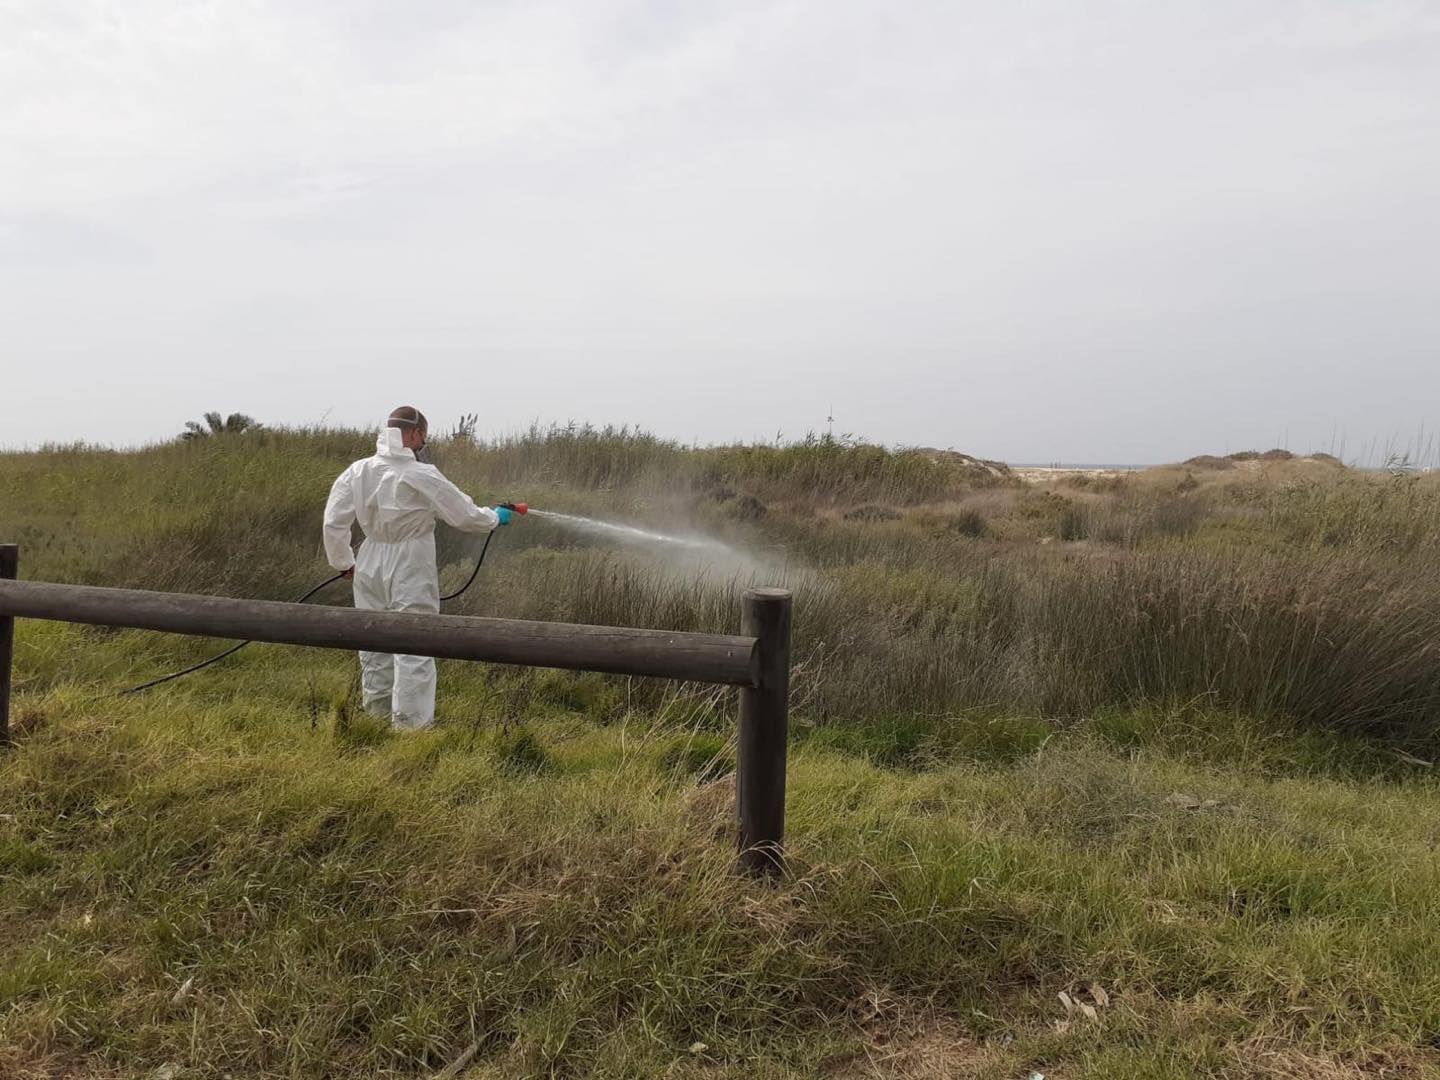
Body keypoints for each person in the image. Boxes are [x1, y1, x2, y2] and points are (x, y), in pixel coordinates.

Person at [322, 406, 511, 729]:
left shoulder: (357, 471)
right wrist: (494, 518)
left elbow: (333, 522)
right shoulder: (421, 474)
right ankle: (411, 730)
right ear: (413, 434)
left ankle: (376, 720)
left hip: (368, 560)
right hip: (410, 559)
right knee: (415, 643)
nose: (424, 440)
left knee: (373, 643)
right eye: (423, 434)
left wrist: (344, 562)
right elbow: (463, 514)